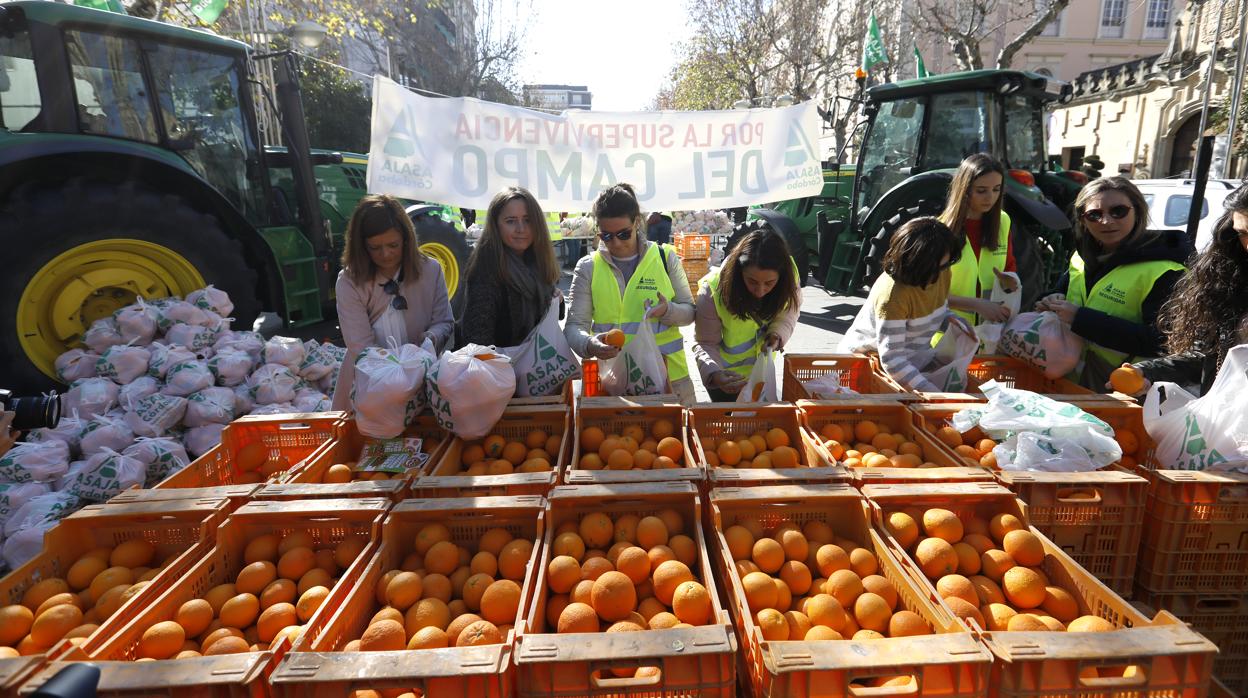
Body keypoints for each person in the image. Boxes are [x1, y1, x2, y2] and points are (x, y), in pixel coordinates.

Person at [1035, 176, 1190, 389]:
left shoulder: (1165, 271)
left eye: (1118, 211)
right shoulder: (1082, 257)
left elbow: (1162, 342)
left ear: (1137, 211)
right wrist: (1050, 300)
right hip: (1068, 378)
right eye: (1094, 215)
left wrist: (1080, 318)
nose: (1106, 221)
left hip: (1120, 389)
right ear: (1082, 219)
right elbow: (1058, 292)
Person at [565, 183, 696, 402]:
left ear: (637, 223)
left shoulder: (665, 258)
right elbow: (574, 327)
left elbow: (690, 312)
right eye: (606, 236)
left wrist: (668, 310)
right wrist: (590, 345)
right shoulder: (588, 267)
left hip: (670, 378)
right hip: (614, 381)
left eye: (624, 234)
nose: (616, 242)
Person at [332, 195, 455, 411]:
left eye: (393, 245)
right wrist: (394, 378)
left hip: (423, 378)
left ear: (406, 240)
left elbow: (444, 321)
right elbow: (360, 346)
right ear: (361, 246)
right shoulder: (349, 281)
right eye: (375, 247)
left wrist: (430, 340)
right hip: (369, 384)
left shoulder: (431, 270)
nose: (386, 254)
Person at [1131, 183, 1248, 395]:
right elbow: (1207, 358)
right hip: (1226, 421)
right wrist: (1147, 372)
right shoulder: (1232, 281)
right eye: (1243, 233)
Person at [839, 217, 972, 391]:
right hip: (865, 370)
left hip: (910, 366)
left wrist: (954, 322)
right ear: (916, 263)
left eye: (945, 265)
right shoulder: (894, 295)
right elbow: (892, 359)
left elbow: (936, 309)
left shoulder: (942, 273)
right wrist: (931, 393)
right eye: (936, 268)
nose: (941, 273)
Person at [694, 226, 802, 401]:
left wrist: (777, 334)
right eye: (752, 281)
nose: (760, 290)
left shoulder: (790, 274)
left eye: (769, 283)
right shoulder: (713, 291)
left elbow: (790, 310)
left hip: (761, 376)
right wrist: (714, 374)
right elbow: (705, 342)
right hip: (726, 379)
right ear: (738, 273)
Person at [460, 187, 561, 348]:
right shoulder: (485, 272)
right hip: (499, 370)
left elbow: (545, 318)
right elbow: (477, 341)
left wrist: (557, 301)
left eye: (527, 220)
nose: (521, 229)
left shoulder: (537, 261)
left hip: (535, 369)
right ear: (496, 226)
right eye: (511, 221)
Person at [938, 153, 1019, 326]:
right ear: (964, 189)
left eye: (996, 189)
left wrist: (1011, 281)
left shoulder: (1003, 221)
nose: (990, 197)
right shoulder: (940, 230)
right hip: (949, 334)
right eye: (981, 191)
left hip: (988, 334)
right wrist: (976, 304)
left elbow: (1009, 266)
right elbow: (926, 295)